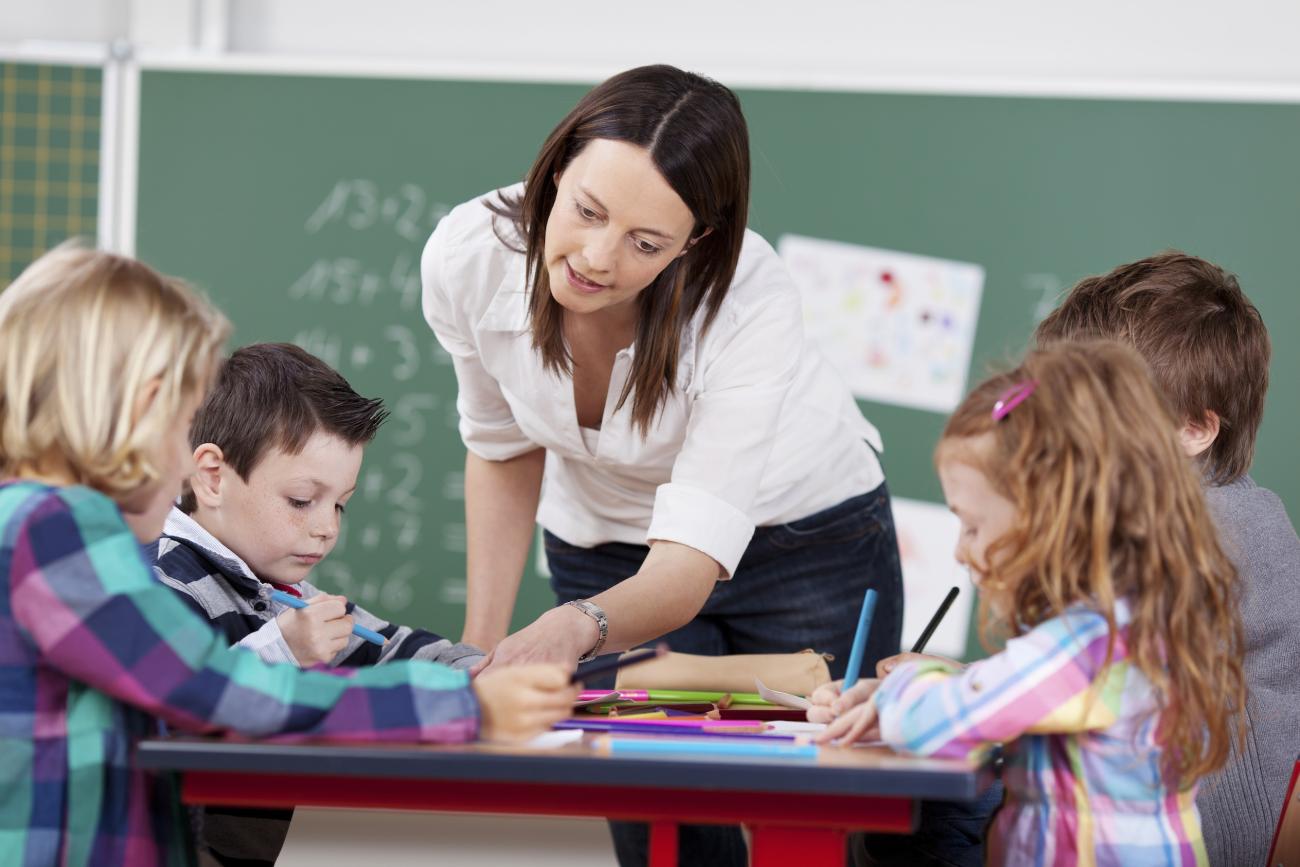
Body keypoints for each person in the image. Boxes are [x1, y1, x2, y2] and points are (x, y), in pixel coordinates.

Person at [421, 64, 903, 866]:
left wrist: (576, 624)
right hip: (606, 543)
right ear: (555, 169)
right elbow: (502, 447)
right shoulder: (469, 256)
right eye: (585, 211)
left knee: (834, 819)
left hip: (805, 539)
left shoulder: (748, 301)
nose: (598, 258)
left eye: (645, 243)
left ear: (696, 240)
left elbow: (688, 565)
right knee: (659, 822)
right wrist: (479, 652)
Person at [0, 245, 575, 867]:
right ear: (141, 406)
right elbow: (208, 690)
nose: (183, 458)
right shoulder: (54, 531)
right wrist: (462, 707)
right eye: (183, 423)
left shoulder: (33, 526)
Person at [811, 340, 1247, 865]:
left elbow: (951, 721)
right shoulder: (1125, 626)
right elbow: (995, 702)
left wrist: (895, 693)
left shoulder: (1089, 645)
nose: (960, 548)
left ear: (1048, 519)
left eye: (973, 525)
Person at [148, 342, 485, 865]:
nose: (326, 528)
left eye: (340, 506)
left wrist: (485, 672)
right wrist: (283, 649)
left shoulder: (283, 591)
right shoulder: (161, 579)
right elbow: (167, 710)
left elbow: (396, 648)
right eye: (302, 501)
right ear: (212, 476)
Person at [1033, 251, 1300, 866]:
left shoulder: (1218, 532)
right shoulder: (1218, 514)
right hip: (1149, 821)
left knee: (929, 820)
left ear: (1194, 430)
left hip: (1191, 843)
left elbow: (1078, 670)